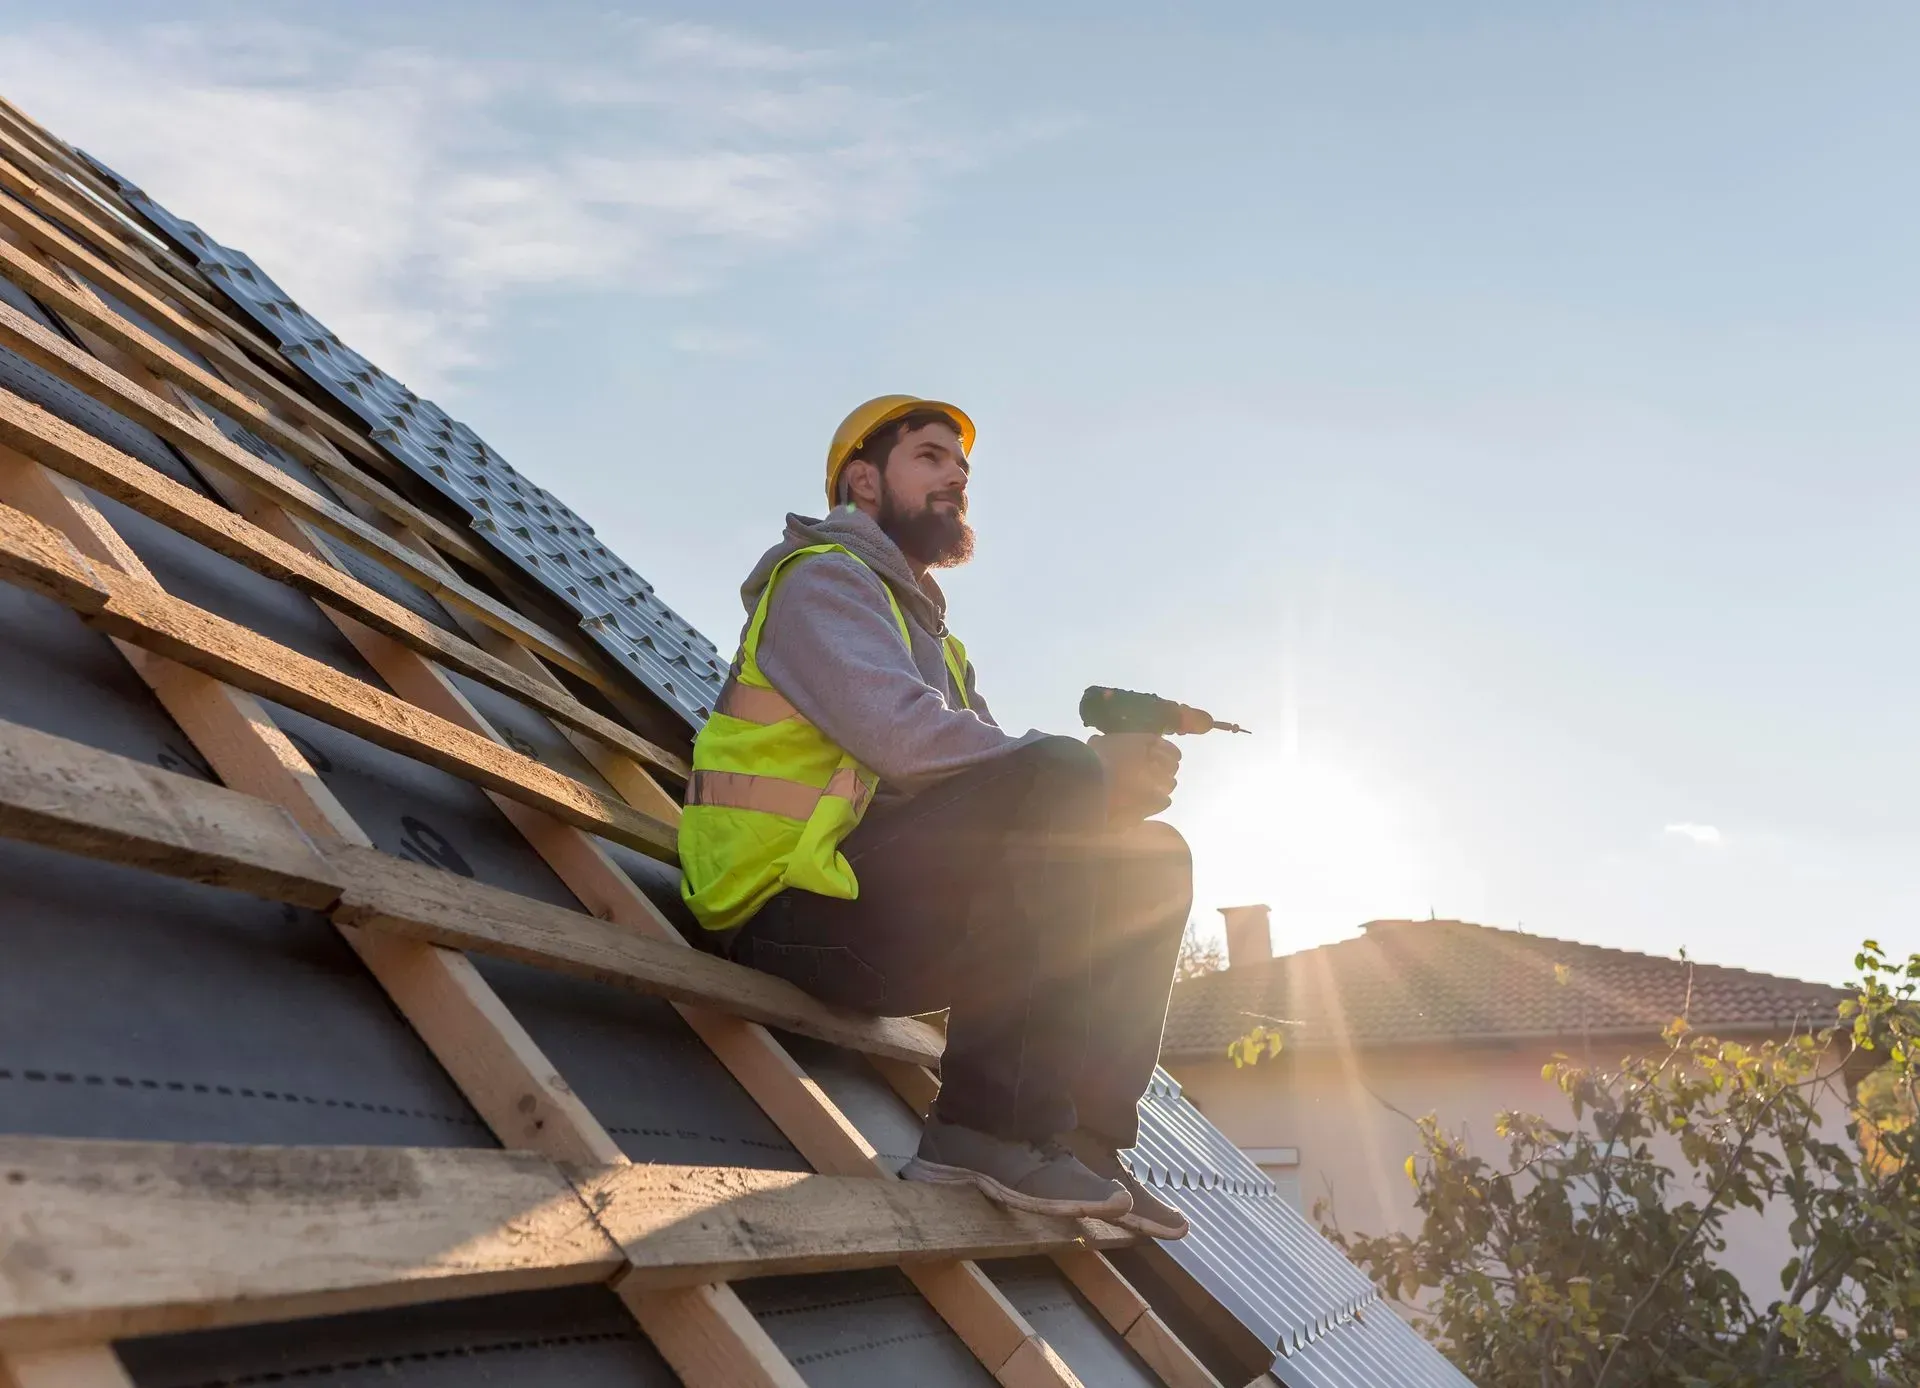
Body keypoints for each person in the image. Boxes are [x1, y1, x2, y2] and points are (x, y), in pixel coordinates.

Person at [678, 395, 1192, 1239]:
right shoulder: (819, 579)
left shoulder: (942, 644)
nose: (957, 475)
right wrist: (1078, 771)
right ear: (863, 482)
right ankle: (980, 1129)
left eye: (963, 466)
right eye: (929, 456)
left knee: (1153, 855)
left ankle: (1084, 1137)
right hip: (777, 906)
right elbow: (904, 739)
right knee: (1061, 768)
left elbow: (1002, 788)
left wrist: (1111, 796)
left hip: (869, 910)